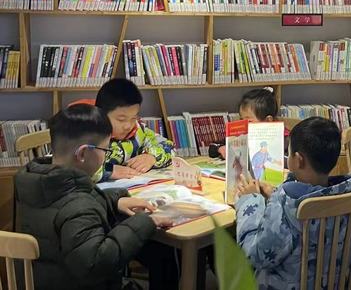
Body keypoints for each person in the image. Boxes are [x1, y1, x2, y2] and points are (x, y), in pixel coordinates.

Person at [13, 104, 173, 290]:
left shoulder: (34, 181)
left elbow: (64, 207)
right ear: (82, 153)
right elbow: (95, 264)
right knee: (160, 256)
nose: (105, 158)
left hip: (39, 280)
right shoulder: (79, 206)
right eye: (105, 150)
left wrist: (114, 201)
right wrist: (144, 222)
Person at [234, 116, 351, 289]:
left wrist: (250, 200)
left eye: (289, 151)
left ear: (298, 160)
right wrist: (275, 194)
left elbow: (254, 256)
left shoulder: (288, 206)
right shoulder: (349, 194)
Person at [94, 78, 173, 181]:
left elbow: (169, 147)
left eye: (133, 118)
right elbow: (75, 167)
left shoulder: (139, 131)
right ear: (101, 115)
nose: (128, 126)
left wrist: (152, 157)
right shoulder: (87, 133)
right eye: (121, 119)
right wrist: (108, 170)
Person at [211, 87, 290, 159]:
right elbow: (212, 146)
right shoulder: (242, 134)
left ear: (268, 121)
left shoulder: (285, 139)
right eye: (241, 119)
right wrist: (220, 149)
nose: (244, 125)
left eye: (249, 121)